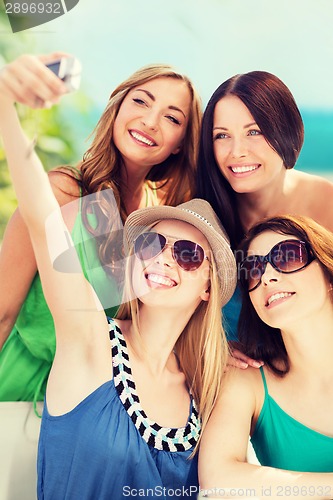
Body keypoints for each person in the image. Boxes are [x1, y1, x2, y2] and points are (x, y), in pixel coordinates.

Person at [0, 84, 237, 497]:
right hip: (19, 390)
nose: (163, 258)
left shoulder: (207, 388)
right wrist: (5, 105)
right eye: (150, 244)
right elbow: (43, 220)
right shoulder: (91, 335)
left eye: (186, 253)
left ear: (208, 286)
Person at [0, 53, 202, 403]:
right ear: (118, 107)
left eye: (172, 118)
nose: (151, 121)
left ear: (181, 143)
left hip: (95, 402)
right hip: (19, 387)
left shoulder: (158, 222)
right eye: (140, 101)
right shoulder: (64, 191)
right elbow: (2, 312)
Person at [199, 215, 333, 498]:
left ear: (327, 271)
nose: (268, 276)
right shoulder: (247, 379)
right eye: (254, 269)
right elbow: (216, 477)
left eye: (287, 256)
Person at [196, 70, 333, 343]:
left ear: (286, 130)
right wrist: (211, 353)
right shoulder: (201, 218)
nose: (237, 151)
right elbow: (119, 305)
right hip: (239, 379)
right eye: (222, 136)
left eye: (254, 131)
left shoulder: (326, 203)